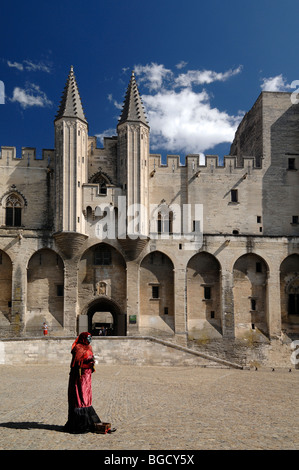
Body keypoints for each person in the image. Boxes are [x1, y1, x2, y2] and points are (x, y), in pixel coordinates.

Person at [64, 332, 102, 433]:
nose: (90, 339)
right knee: (81, 395)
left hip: (87, 375)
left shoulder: (89, 347)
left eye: (91, 337)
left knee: (87, 395)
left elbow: (88, 358)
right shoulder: (78, 347)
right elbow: (76, 362)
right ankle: (80, 423)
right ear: (84, 338)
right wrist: (87, 360)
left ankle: (89, 420)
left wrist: (92, 360)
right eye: (88, 338)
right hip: (79, 376)